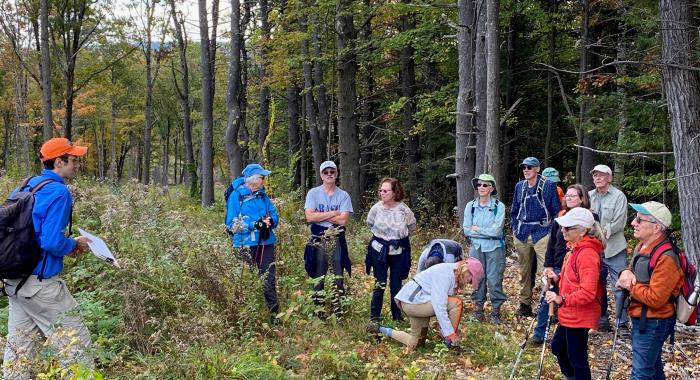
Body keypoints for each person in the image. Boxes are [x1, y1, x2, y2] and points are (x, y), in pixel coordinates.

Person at [3, 138, 93, 379]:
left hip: (15, 283)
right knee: (76, 345)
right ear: (59, 162)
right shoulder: (59, 191)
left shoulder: (26, 185)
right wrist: (74, 244)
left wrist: (65, 246)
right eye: (73, 160)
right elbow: (51, 241)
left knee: (19, 351)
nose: (77, 164)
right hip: (41, 286)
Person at [616, 201, 682, 380]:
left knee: (641, 373)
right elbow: (632, 269)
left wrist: (629, 285)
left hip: (655, 322)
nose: (633, 223)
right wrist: (625, 273)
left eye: (639, 220)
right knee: (652, 369)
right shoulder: (642, 247)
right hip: (643, 318)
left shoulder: (666, 257)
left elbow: (656, 299)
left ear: (656, 228)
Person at [529, 184, 599, 345]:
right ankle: (540, 333)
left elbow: (587, 291)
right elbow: (552, 242)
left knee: (567, 300)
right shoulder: (561, 216)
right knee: (547, 299)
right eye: (567, 195)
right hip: (559, 267)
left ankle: (569, 334)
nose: (569, 198)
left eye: (573, 195)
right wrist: (548, 265)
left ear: (582, 199)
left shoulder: (589, 219)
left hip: (575, 268)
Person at [367, 258, 484, 352]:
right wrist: (450, 333)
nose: (469, 283)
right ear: (466, 271)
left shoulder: (454, 274)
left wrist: (446, 327)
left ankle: (379, 329)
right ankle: (451, 342)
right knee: (456, 303)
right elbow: (440, 306)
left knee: (416, 343)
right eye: (471, 280)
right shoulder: (445, 274)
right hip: (413, 302)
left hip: (417, 302)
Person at [544, 207, 604, 380]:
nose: (563, 230)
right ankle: (571, 377)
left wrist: (560, 299)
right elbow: (571, 278)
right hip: (570, 311)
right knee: (558, 347)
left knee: (577, 357)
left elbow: (588, 292)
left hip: (580, 313)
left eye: (568, 227)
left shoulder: (587, 254)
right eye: (563, 226)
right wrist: (556, 278)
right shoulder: (573, 249)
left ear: (583, 231)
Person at [225, 163, 280, 314]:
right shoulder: (236, 196)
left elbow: (274, 214)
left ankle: (274, 315)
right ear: (253, 179)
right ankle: (249, 316)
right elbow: (231, 223)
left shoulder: (263, 195)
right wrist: (255, 224)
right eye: (262, 177)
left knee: (269, 278)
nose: (264, 180)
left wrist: (270, 221)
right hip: (244, 244)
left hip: (266, 242)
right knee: (247, 280)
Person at [510, 157, 561, 316]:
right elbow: (514, 210)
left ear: (538, 169)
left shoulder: (549, 186)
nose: (526, 170)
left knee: (545, 272)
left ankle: (546, 308)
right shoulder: (520, 186)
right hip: (522, 233)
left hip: (543, 232)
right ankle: (524, 305)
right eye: (524, 167)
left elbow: (556, 211)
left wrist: (551, 233)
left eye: (530, 167)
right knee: (524, 272)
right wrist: (515, 228)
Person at [304, 161, 353, 319]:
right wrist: (334, 213)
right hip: (318, 237)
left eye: (332, 171)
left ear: (337, 174)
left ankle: (338, 310)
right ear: (321, 175)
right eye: (326, 172)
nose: (329, 174)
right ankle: (318, 311)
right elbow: (309, 217)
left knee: (338, 272)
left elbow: (343, 221)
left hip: (337, 237)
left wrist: (321, 215)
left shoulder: (343, 195)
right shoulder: (313, 193)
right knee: (318, 273)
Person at [365, 178, 416, 322]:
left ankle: (397, 317)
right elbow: (370, 223)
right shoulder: (376, 209)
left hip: (398, 252)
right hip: (378, 250)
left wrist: (396, 238)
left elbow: (412, 226)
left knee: (396, 284)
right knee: (379, 283)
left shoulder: (404, 210)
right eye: (380, 190)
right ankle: (374, 318)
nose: (382, 193)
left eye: (385, 190)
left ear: (395, 192)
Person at [588, 164, 629, 331]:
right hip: (593, 249)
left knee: (619, 286)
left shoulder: (619, 197)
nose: (597, 178)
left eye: (601, 175)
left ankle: (623, 323)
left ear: (609, 178)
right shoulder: (589, 196)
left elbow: (619, 223)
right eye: (595, 175)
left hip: (614, 249)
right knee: (596, 286)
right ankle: (601, 320)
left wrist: (601, 231)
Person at [463, 174, 506, 323]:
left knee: (494, 280)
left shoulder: (498, 206)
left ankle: (496, 312)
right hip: (476, 248)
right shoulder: (470, 206)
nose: (481, 187)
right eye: (479, 185)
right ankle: (478, 310)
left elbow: (497, 231)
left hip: (495, 248)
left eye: (485, 185)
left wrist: (477, 229)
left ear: (491, 188)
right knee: (477, 278)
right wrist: (484, 230)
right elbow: (466, 229)